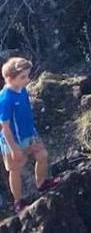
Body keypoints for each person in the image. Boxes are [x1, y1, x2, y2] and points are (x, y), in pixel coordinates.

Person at [0, 57, 56, 212]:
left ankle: (41, 183)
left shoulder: (22, 90)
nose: (27, 79)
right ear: (10, 78)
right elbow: (4, 127)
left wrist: (33, 134)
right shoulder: (5, 98)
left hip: (30, 134)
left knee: (43, 155)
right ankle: (18, 201)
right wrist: (14, 148)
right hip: (13, 141)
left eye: (27, 75)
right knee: (15, 170)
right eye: (22, 77)